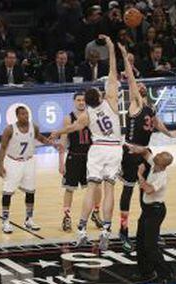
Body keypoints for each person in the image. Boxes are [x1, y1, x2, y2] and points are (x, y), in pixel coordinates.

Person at [50, 34, 121, 251]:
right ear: (100, 96)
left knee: (91, 189)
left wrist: (56, 132)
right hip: (114, 148)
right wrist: (110, 47)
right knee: (109, 191)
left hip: (97, 149)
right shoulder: (111, 101)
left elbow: (71, 128)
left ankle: (81, 230)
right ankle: (106, 231)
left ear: (87, 102)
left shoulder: (86, 115)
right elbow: (112, 71)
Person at [118, 43, 176, 252]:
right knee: (128, 191)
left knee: (149, 192)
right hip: (131, 151)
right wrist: (125, 57)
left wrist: (170, 133)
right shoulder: (135, 104)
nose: (140, 85)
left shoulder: (149, 108)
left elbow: (158, 122)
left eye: (143, 85)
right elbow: (132, 80)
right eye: (138, 85)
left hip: (145, 152)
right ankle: (123, 232)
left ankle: (149, 230)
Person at [0, 106, 59, 234]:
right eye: (22, 114)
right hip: (13, 162)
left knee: (30, 192)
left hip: (29, 162)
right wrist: (1, 165)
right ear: (17, 116)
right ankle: (5, 221)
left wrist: (52, 143)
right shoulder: (9, 129)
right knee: (7, 192)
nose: (25, 116)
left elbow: (40, 138)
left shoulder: (33, 127)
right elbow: (3, 148)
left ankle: (29, 219)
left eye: (27, 114)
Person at [126, 144, 174, 284]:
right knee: (140, 242)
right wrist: (136, 149)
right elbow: (146, 152)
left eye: (159, 156)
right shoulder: (155, 164)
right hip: (147, 210)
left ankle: (165, 274)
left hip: (156, 211)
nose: (156, 155)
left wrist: (140, 175)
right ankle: (146, 272)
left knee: (150, 246)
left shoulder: (162, 176)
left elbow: (148, 190)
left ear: (162, 164)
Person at [59, 92, 103, 232]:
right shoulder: (68, 118)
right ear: (74, 102)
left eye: (83, 100)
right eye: (78, 100)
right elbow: (63, 140)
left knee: (96, 187)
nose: (81, 102)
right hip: (74, 156)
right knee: (69, 189)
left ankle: (96, 213)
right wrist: (61, 162)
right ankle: (66, 217)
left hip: (91, 157)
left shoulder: (92, 116)